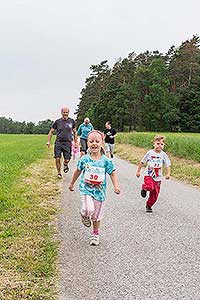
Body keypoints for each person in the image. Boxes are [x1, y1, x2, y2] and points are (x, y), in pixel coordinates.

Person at [69, 130, 120, 246]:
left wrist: (116, 186)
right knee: (88, 209)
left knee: (96, 216)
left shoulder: (106, 161)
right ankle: (84, 214)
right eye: (91, 141)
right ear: (87, 143)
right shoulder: (84, 159)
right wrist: (72, 183)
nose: (94, 144)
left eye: (97, 141)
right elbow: (77, 171)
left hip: (100, 192)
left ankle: (95, 234)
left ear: (102, 143)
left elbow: (112, 173)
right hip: (86, 189)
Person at [136, 135, 171, 213]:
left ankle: (149, 205)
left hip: (158, 177)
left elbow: (167, 164)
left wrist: (168, 173)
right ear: (154, 144)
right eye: (158, 143)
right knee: (150, 187)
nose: (159, 146)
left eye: (161, 144)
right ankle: (144, 188)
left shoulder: (163, 155)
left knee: (155, 194)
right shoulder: (150, 153)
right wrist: (138, 171)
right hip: (148, 175)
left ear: (164, 145)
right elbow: (142, 162)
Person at [47, 107, 77, 179]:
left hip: (68, 142)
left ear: (68, 113)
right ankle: (59, 173)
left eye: (66, 112)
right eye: (64, 112)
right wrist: (48, 141)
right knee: (57, 158)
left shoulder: (72, 121)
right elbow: (51, 131)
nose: (65, 114)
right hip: (59, 142)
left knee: (67, 159)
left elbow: (75, 132)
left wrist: (76, 143)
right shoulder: (57, 122)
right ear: (61, 112)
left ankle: (65, 164)